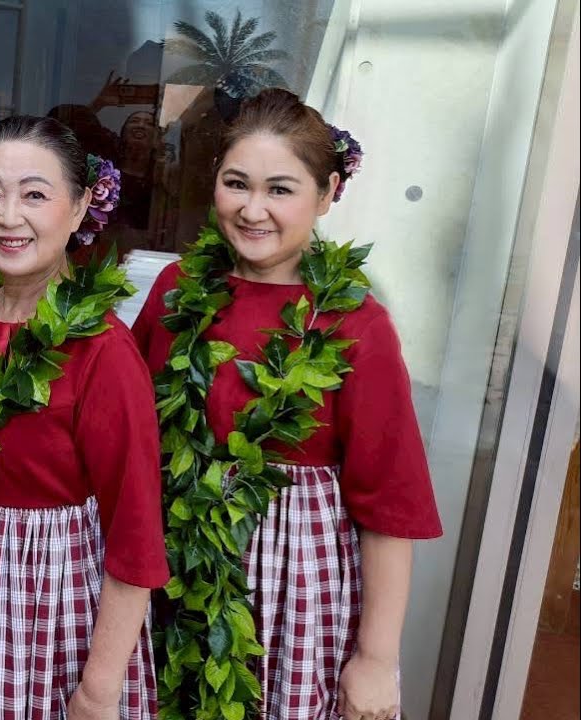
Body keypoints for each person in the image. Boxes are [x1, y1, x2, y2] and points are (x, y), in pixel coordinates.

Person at [131, 88, 442, 720]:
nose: (252, 209)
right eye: (236, 183)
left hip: (292, 593)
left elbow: (388, 508)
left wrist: (377, 659)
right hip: (174, 570)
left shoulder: (355, 325)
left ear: (327, 194)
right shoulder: (175, 291)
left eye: (280, 189)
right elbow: (129, 426)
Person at [0, 115, 168, 718]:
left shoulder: (103, 351)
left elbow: (136, 534)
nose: (9, 216)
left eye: (35, 195)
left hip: (48, 614)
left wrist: (98, 692)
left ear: (79, 207)